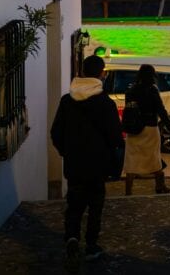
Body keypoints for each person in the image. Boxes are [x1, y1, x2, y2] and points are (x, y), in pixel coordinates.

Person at [50, 55, 124, 266]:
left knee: (74, 203)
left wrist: (66, 151)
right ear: (102, 74)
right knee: (95, 204)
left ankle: (72, 237)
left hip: (74, 163)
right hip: (98, 164)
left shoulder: (67, 101)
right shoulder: (105, 103)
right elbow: (115, 137)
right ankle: (91, 244)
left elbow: (56, 132)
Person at [123, 64, 170, 195]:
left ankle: (128, 191)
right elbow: (161, 110)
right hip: (150, 128)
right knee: (154, 158)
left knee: (132, 159)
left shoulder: (131, 90)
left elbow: (129, 109)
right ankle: (160, 186)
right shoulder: (152, 90)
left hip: (134, 129)